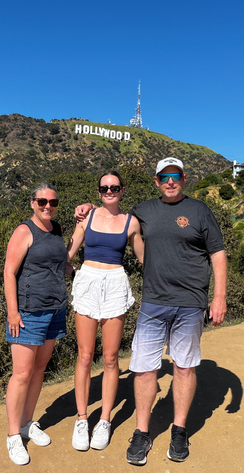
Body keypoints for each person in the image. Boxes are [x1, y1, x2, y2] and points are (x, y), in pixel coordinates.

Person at [75, 157, 227, 465]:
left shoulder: (199, 211)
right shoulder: (142, 211)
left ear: (184, 178)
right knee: (144, 369)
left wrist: (219, 296)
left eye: (175, 176)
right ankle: (142, 433)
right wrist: (85, 208)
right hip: (153, 302)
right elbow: (111, 214)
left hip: (191, 302)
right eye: (164, 177)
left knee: (183, 367)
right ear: (156, 181)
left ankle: (180, 430)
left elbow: (218, 253)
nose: (170, 181)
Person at [66, 171, 144, 452]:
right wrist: (69, 272)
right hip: (87, 281)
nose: (109, 191)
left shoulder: (131, 222)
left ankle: (105, 420)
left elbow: (144, 257)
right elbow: (69, 252)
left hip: (115, 285)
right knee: (85, 356)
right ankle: (82, 418)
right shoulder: (86, 217)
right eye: (104, 187)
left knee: (110, 358)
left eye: (114, 187)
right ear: (98, 190)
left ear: (122, 190)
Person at [4, 183, 72, 466]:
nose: (48, 206)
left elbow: (62, 263)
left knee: (39, 370)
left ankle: (27, 422)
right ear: (32, 202)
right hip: (28, 312)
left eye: (53, 202)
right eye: (42, 201)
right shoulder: (24, 231)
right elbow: (9, 271)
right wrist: (13, 312)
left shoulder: (55, 229)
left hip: (54, 309)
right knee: (21, 375)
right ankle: (13, 436)